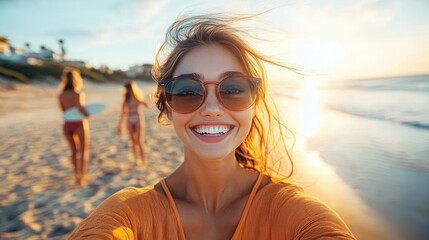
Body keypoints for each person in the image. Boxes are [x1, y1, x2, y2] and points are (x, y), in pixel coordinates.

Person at [69, 13, 356, 239]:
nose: (212, 108)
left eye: (232, 89)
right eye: (187, 91)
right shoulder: (129, 214)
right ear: (166, 107)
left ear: (254, 104)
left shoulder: (292, 212)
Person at [58, 67, 89, 185]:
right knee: (83, 150)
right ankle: (82, 176)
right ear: (76, 79)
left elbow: (63, 112)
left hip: (67, 125)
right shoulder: (77, 94)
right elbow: (80, 108)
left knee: (74, 151)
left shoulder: (60, 95)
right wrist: (87, 114)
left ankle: (76, 174)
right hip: (78, 123)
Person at [118, 80, 149, 167]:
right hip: (129, 120)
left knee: (140, 141)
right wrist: (120, 126)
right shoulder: (125, 100)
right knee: (133, 142)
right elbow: (123, 114)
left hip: (138, 119)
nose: (128, 90)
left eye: (129, 88)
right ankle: (136, 160)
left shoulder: (137, 98)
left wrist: (143, 102)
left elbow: (147, 105)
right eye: (127, 88)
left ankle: (143, 160)